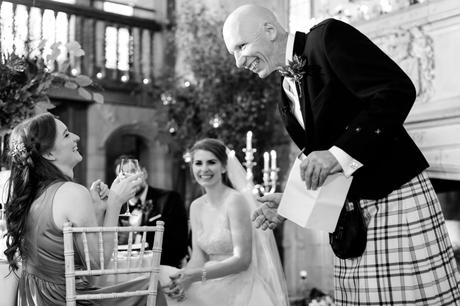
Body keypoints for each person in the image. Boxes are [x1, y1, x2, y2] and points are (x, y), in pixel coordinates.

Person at [223, 4, 460, 305]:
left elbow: (397, 90)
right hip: (352, 223)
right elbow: (324, 164)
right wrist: (290, 204)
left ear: (269, 30)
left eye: (241, 46)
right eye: (233, 52)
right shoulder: (285, 93)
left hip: (395, 198)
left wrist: (338, 153)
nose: (238, 62)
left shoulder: (326, 38)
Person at [3, 113, 166, 305]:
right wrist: (115, 203)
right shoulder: (72, 192)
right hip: (64, 300)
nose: (76, 137)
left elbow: (81, 255)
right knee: (150, 287)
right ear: (49, 154)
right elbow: (95, 269)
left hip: (33, 298)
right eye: (66, 135)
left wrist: (98, 209)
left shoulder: (36, 193)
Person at [163, 138, 288, 306]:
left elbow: (243, 260)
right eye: (198, 163)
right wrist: (184, 277)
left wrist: (195, 276)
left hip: (240, 285)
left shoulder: (235, 201)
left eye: (211, 162)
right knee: (164, 280)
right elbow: (199, 257)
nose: (204, 169)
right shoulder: (196, 206)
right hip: (208, 280)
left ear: (223, 167)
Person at [115, 156, 189, 268]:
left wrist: (135, 237)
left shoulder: (169, 199)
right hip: (126, 270)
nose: (130, 179)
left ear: (144, 173)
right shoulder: (117, 208)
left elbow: (179, 246)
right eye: (124, 175)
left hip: (163, 267)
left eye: (133, 172)